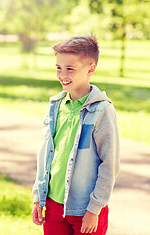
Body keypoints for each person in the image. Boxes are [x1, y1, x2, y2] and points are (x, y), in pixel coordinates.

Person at [31, 35, 120, 235]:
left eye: (70, 68)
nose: (62, 74)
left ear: (90, 68)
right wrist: (39, 196)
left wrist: (94, 208)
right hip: (54, 205)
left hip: (85, 208)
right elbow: (45, 154)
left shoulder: (102, 110)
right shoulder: (55, 106)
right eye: (58, 68)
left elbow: (110, 164)